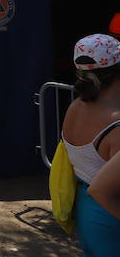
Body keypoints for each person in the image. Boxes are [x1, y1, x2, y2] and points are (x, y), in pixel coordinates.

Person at [61, 33, 120, 256]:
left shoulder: (76, 106)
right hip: (110, 216)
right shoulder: (115, 125)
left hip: (85, 211)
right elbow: (102, 188)